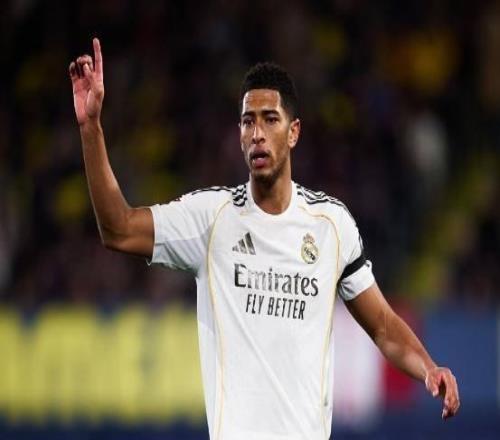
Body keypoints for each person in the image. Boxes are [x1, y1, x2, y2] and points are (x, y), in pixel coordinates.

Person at [69, 38, 460, 440]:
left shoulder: (331, 225)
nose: (257, 133)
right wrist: (91, 128)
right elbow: (118, 228)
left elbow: (383, 325)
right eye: (247, 121)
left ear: (293, 132)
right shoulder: (211, 219)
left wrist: (429, 368)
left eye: (270, 119)